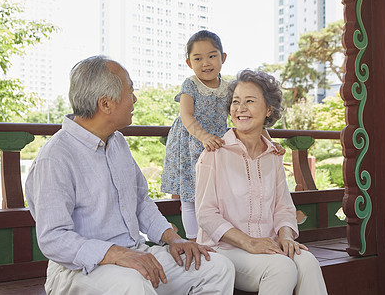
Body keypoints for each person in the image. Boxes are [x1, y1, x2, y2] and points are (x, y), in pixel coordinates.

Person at [25, 55, 235, 295]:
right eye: (130, 91)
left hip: (134, 252)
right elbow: (53, 238)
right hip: (77, 270)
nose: (134, 99)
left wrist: (172, 238)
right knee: (133, 283)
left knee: (217, 268)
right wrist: (115, 254)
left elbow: (140, 202)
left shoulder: (117, 143)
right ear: (106, 104)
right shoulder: (55, 157)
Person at [195, 69, 328, 295]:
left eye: (249, 101)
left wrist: (285, 236)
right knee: (282, 268)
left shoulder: (273, 155)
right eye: (235, 102)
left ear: (268, 109)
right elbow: (206, 214)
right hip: (224, 250)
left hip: (268, 245)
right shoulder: (214, 153)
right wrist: (249, 243)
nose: (240, 108)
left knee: (307, 262)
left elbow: (283, 207)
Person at [161, 30, 284, 241]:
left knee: (219, 194)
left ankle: (226, 236)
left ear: (223, 57)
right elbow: (187, 116)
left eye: (211, 56)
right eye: (197, 58)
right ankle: (194, 239)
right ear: (189, 63)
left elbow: (251, 120)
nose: (205, 63)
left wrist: (270, 144)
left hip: (217, 145)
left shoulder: (229, 88)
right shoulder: (190, 85)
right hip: (191, 142)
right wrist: (203, 137)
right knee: (191, 196)